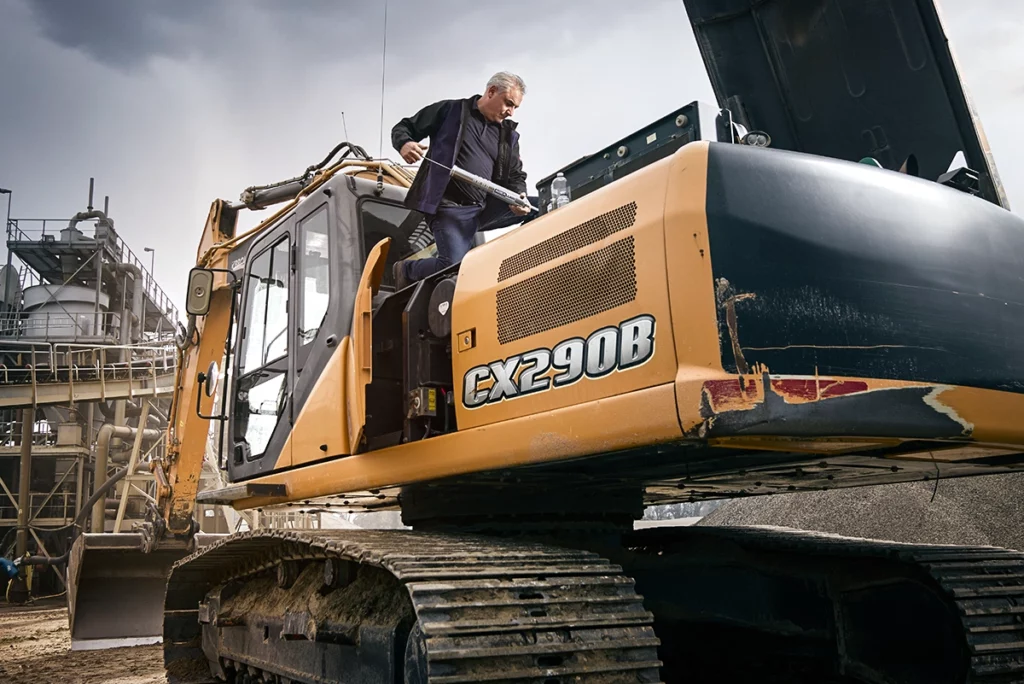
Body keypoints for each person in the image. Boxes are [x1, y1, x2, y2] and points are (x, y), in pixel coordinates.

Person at [390, 71, 534, 288]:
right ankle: (407, 269)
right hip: (449, 208)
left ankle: (520, 268)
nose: (511, 112)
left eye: (515, 107)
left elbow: (515, 175)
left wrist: (519, 195)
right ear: (491, 91)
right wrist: (404, 144)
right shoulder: (450, 111)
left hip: (484, 207)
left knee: (544, 206)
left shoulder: (508, 136)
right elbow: (404, 127)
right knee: (454, 266)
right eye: (508, 103)